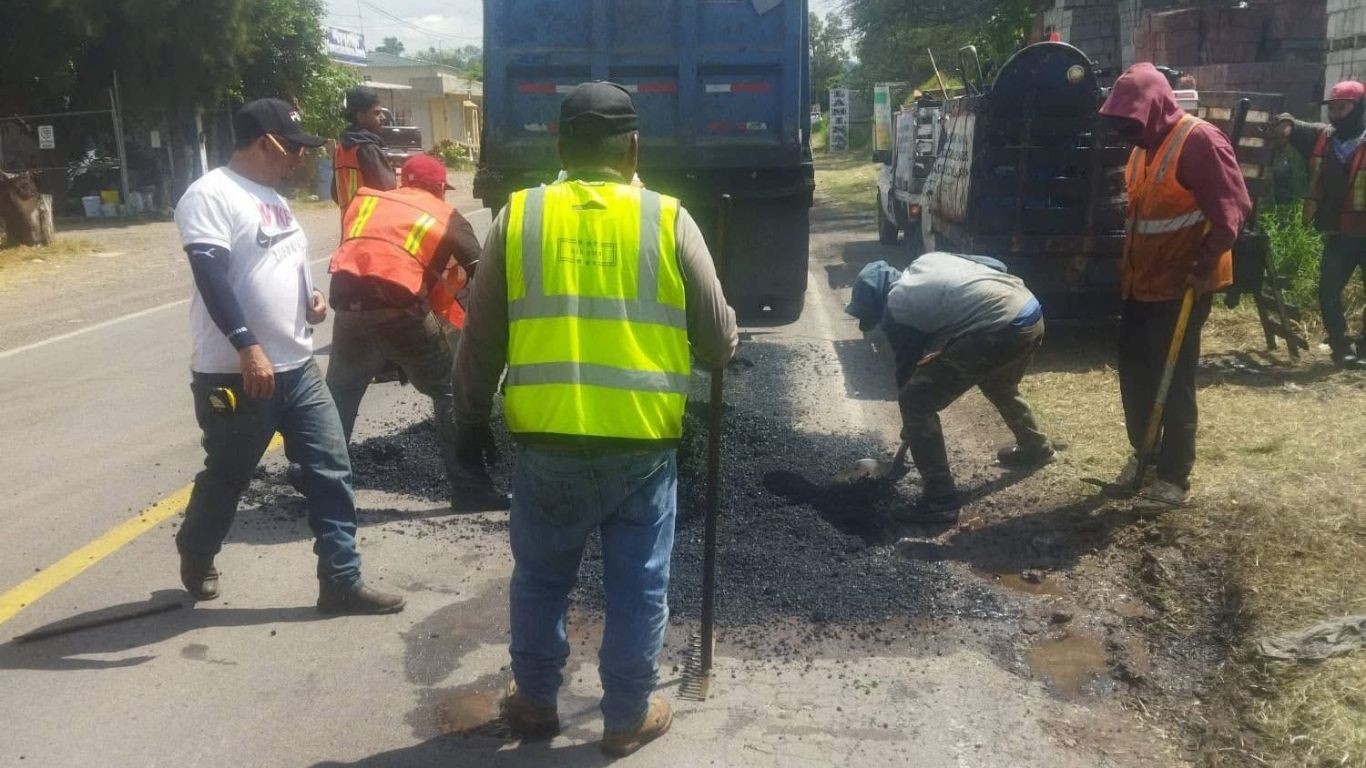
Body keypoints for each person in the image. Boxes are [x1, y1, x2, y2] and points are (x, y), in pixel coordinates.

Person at [452, 81, 737, 757]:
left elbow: (480, 341)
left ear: (559, 145)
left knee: (540, 578)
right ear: (634, 147)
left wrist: (466, 426)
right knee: (638, 584)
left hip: (545, 441)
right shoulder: (668, 219)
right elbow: (720, 341)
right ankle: (626, 715)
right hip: (641, 444)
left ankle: (535, 701)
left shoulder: (517, 218)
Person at [173, 98, 405, 615]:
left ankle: (341, 581)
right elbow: (211, 276)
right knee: (229, 475)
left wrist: (310, 300)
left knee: (330, 469)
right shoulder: (210, 195)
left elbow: (283, 260)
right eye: (293, 149)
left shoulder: (273, 198)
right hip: (236, 374)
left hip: (298, 369)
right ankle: (197, 549)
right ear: (265, 144)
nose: (299, 159)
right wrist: (246, 345)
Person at [1099, 63, 1251, 505]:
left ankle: (1173, 477)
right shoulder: (1142, 148)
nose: (1125, 129)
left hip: (1181, 286)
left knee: (1174, 379)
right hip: (1141, 284)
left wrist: (1202, 267)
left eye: (1131, 118)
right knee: (1136, 375)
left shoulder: (1198, 140)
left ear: (1155, 107)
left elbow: (1233, 212)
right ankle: (1143, 456)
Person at [326, 154, 507, 511]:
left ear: (403, 181)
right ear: (440, 187)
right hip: (399, 313)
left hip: (347, 309)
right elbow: (482, 275)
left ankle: (316, 475)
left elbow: (369, 252)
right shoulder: (446, 216)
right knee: (451, 391)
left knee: (340, 394)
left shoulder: (367, 201)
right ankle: (469, 487)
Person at [846, 253, 1055, 525]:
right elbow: (996, 265)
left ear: (878, 302)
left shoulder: (897, 307)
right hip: (1029, 312)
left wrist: (912, 423)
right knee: (999, 383)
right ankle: (1036, 448)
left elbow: (908, 370)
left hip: (1000, 328)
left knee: (915, 402)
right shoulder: (928, 261)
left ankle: (940, 500)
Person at [1274, 80, 1366, 368]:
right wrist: (1285, 126)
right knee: (1328, 292)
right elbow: (1289, 121)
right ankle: (1341, 346)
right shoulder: (1323, 137)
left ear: (1360, 108)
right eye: (1334, 109)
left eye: (1343, 108)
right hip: (1338, 234)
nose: (1337, 114)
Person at [333, 86, 396, 216]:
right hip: (372, 226)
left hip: (350, 226)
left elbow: (335, 193)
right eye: (376, 113)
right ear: (360, 116)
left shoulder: (340, 148)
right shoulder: (368, 149)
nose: (383, 117)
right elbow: (388, 191)